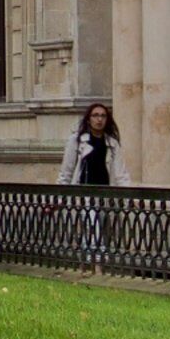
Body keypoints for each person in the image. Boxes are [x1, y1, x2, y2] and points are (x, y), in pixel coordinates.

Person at [57, 100, 120, 266]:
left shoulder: (111, 143)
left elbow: (120, 172)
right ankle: (97, 262)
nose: (99, 119)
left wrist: (126, 194)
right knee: (92, 225)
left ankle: (88, 261)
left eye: (103, 116)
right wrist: (60, 195)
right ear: (88, 119)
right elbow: (67, 170)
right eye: (95, 116)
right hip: (85, 192)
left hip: (105, 193)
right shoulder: (77, 141)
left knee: (100, 226)